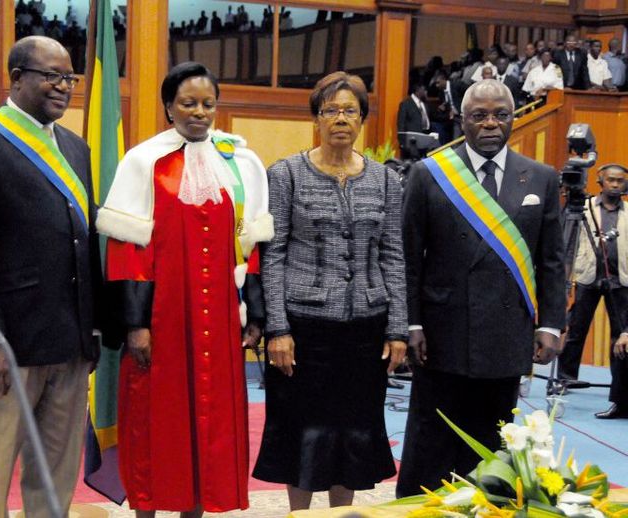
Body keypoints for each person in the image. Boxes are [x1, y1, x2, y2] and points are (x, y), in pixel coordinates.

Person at [96, 62, 273, 517]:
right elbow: (128, 253)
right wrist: (136, 325)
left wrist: (254, 314)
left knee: (209, 421)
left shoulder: (242, 163)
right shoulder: (143, 161)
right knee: (157, 423)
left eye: (208, 104)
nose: (199, 112)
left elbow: (251, 247)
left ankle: (197, 509)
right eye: (188, 103)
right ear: (168, 107)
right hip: (163, 320)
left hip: (219, 317)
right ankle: (149, 510)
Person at [0, 36, 100, 517]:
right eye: (51, 75)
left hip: (68, 342)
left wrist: (91, 331)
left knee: (55, 473)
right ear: (17, 78)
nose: (63, 87)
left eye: (69, 77)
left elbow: (85, 243)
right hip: (7, 347)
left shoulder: (75, 148)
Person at [397, 79, 565, 497]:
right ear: (461, 119)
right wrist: (411, 322)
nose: (490, 124)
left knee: (494, 447)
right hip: (440, 335)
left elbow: (552, 261)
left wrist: (551, 325)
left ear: (512, 118)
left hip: (507, 337)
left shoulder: (541, 178)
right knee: (431, 444)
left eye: (500, 115)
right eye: (479, 116)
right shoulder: (428, 174)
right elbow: (408, 257)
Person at [253, 71, 408, 511]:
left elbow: (393, 255)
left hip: (366, 327)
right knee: (301, 429)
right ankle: (299, 514)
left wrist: (396, 328)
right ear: (316, 119)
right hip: (304, 329)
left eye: (349, 111)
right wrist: (278, 329)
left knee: (354, 431)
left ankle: (341, 512)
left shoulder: (384, 180)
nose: (340, 118)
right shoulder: (285, 174)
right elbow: (274, 254)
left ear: (362, 120)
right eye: (331, 110)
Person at [557, 164, 628, 419]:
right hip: (588, 275)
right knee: (576, 328)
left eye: (620, 181)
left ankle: (619, 390)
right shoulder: (585, 209)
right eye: (611, 180)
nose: (616, 185)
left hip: (620, 280)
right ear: (600, 181)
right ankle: (566, 377)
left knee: (620, 338)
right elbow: (568, 243)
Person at [398, 83, 431, 159]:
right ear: (418, 90)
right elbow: (401, 124)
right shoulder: (406, 104)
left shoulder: (424, 104)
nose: (425, 92)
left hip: (425, 139)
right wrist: (402, 142)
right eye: (424, 90)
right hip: (412, 142)